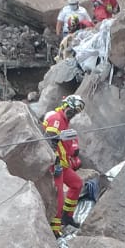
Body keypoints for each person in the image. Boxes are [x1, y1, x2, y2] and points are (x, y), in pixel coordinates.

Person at [42, 95, 86, 236]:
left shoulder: (65, 121)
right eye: (72, 111)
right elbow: (49, 139)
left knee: (77, 184)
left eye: (75, 113)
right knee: (59, 197)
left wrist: (73, 152)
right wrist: (54, 160)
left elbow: (66, 142)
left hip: (62, 163)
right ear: (65, 106)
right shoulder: (56, 119)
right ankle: (55, 229)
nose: (73, 114)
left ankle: (67, 216)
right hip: (55, 165)